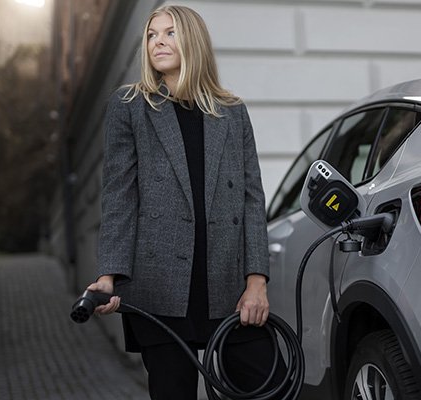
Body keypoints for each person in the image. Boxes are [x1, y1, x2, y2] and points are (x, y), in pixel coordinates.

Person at [86, 5, 284, 399]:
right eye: (152, 34)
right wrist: (108, 276)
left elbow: (250, 198)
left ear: (192, 40)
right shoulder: (130, 107)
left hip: (228, 285)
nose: (158, 41)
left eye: (170, 33)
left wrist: (256, 283)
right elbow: (119, 197)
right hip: (159, 286)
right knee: (173, 390)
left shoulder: (232, 112)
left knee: (270, 386)